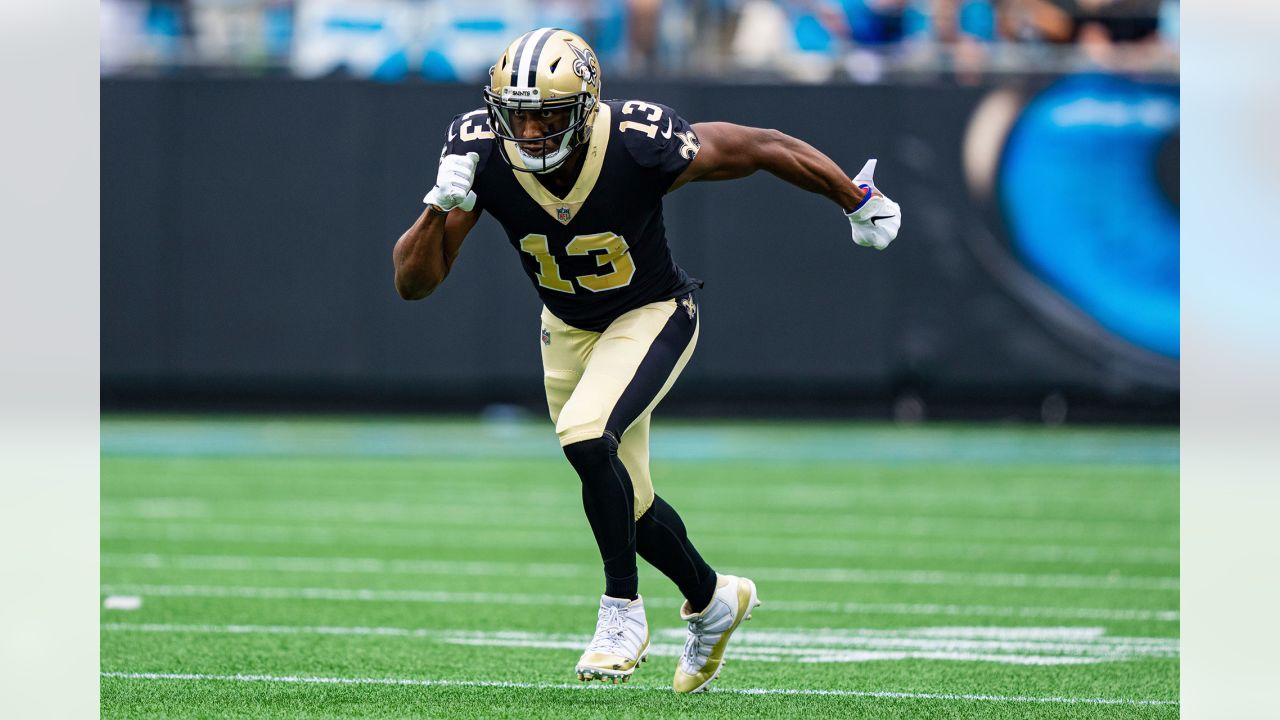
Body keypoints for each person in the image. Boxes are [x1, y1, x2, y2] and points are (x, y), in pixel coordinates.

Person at [392, 27, 901, 694]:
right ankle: (714, 600)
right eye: (518, 116)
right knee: (626, 500)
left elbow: (759, 147)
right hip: (568, 329)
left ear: (584, 108)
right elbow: (414, 282)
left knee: (584, 436)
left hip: (651, 313)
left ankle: (621, 615)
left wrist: (853, 197)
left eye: (548, 115)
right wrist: (439, 206)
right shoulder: (482, 151)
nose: (532, 132)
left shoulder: (635, 139)